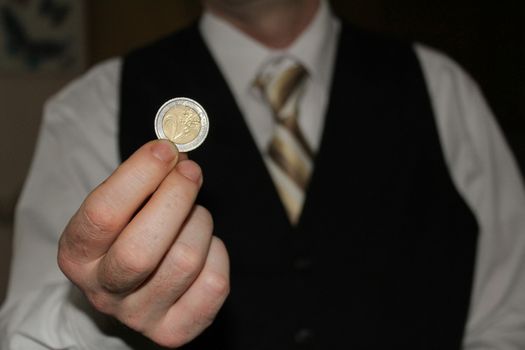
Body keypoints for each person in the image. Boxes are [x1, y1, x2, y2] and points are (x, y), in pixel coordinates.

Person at [1, 0, 525, 348]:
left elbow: (510, 317)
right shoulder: (90, 106)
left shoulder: (443, 88)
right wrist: (95, 312)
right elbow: (28, 335)